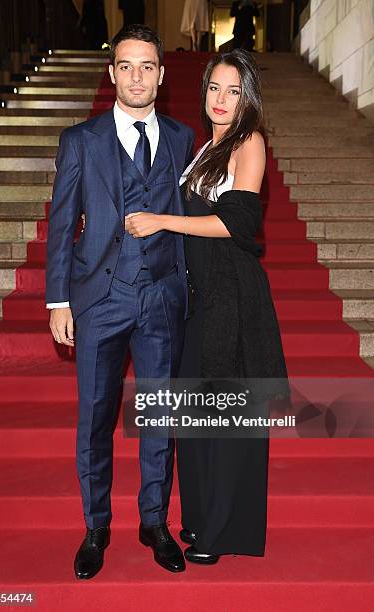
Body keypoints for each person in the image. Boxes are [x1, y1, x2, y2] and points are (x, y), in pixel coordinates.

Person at [124, 49, 288, 563]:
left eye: (233, 91)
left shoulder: (249, 142)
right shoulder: (205, 148)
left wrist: (161, 221)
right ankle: (199, 522)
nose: (221, 99)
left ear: (248, 98)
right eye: (215, 88)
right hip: (200, 296)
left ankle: (222, 532)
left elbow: (237, 224)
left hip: (231, 298)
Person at [45, 24, 195, 578]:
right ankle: (96, 525)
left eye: (147, 66)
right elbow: (62, 225)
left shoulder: (182, 138)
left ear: (161, 73)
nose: (137, 76)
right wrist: (57, 301)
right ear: (111, 74)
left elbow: (188, 220)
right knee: (95, 419)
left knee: (161, 417)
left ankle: (154, 521)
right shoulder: (80, 140)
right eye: (126, 66)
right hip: (98, 300)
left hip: (161, 298)